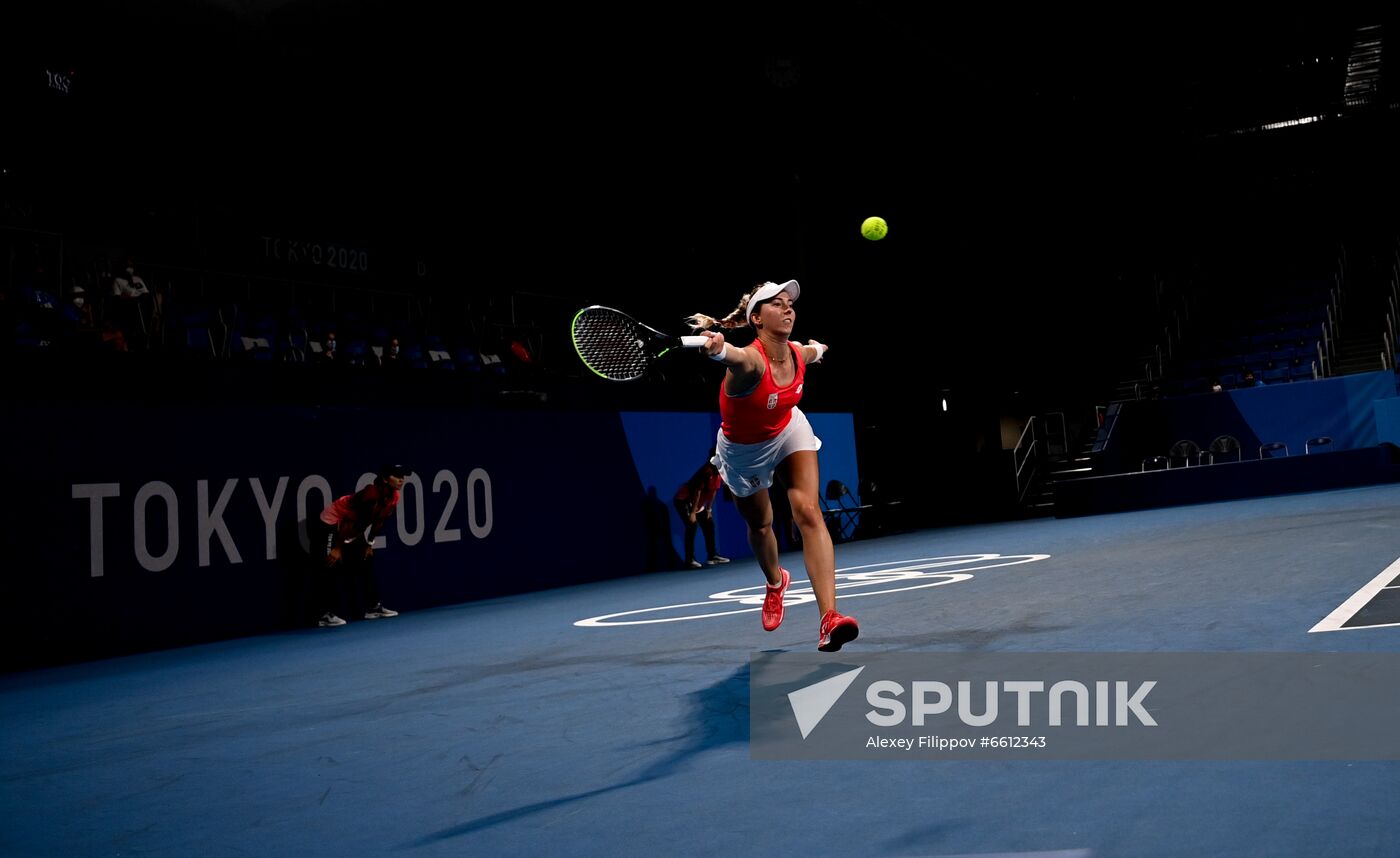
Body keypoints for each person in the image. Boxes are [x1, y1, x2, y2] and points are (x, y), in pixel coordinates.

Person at [688, 279, 859, 652]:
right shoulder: (749, 361)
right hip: (743, 451)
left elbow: (812, 351)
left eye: (790, 303)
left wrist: (819, 348)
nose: (788, 308)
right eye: (776, 304)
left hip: (787, 427)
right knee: (761, 525)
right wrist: (717, 351)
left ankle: (829, 619)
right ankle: (774, 582)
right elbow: (730, 355)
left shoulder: (797, 354)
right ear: (756, 319)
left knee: (808, 512)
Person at [309, 465, 409, 627]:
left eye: (403, 476)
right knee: (330, 563)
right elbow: (349, 520)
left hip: (352, 526)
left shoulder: (394, 496)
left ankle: (373, 607)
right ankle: (324, 614)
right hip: (332, 521)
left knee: (365, 560)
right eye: (397, 476)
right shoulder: (370, 495)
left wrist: (369, 543)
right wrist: (338, 548)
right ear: (385, 478)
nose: (402, 479)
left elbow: (379, 521)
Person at [673, 450, 731, 569]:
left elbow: (714, 491)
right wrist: (693, 513)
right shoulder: (706, 471)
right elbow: (697, 492)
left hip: (697, 503)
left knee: (709, 524)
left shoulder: (719, 471)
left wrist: (709, 510)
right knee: (692, 526)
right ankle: (689, 560)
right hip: (684, 500)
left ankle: (712, 556)